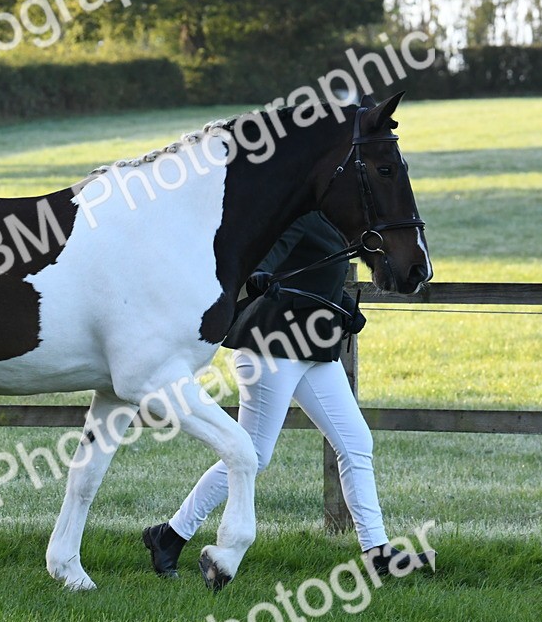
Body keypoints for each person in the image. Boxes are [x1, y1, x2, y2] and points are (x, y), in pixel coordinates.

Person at [142, 211, 435, 577]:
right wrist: (259, 274)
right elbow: (266, 255)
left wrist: (345, 307)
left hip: (315, 350)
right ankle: (170, 535)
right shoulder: (298, 214)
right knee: (253, 455)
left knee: (356, 442)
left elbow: (317, 274)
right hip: (272, 349)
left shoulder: (332, 220)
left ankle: (377, 551)